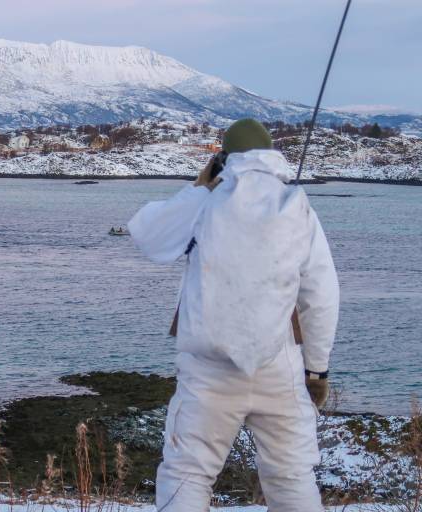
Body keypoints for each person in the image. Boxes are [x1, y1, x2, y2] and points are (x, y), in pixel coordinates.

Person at [127, 118, 339, 511]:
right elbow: (321, 296)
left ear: (224, 158)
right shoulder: (296, 204)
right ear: (271, 153)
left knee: (186, 474)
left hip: (209, 368)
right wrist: (317, 371)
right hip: (280, 367)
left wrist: (199, 187)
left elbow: (148, 235)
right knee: (291, 477)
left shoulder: (207, 200)